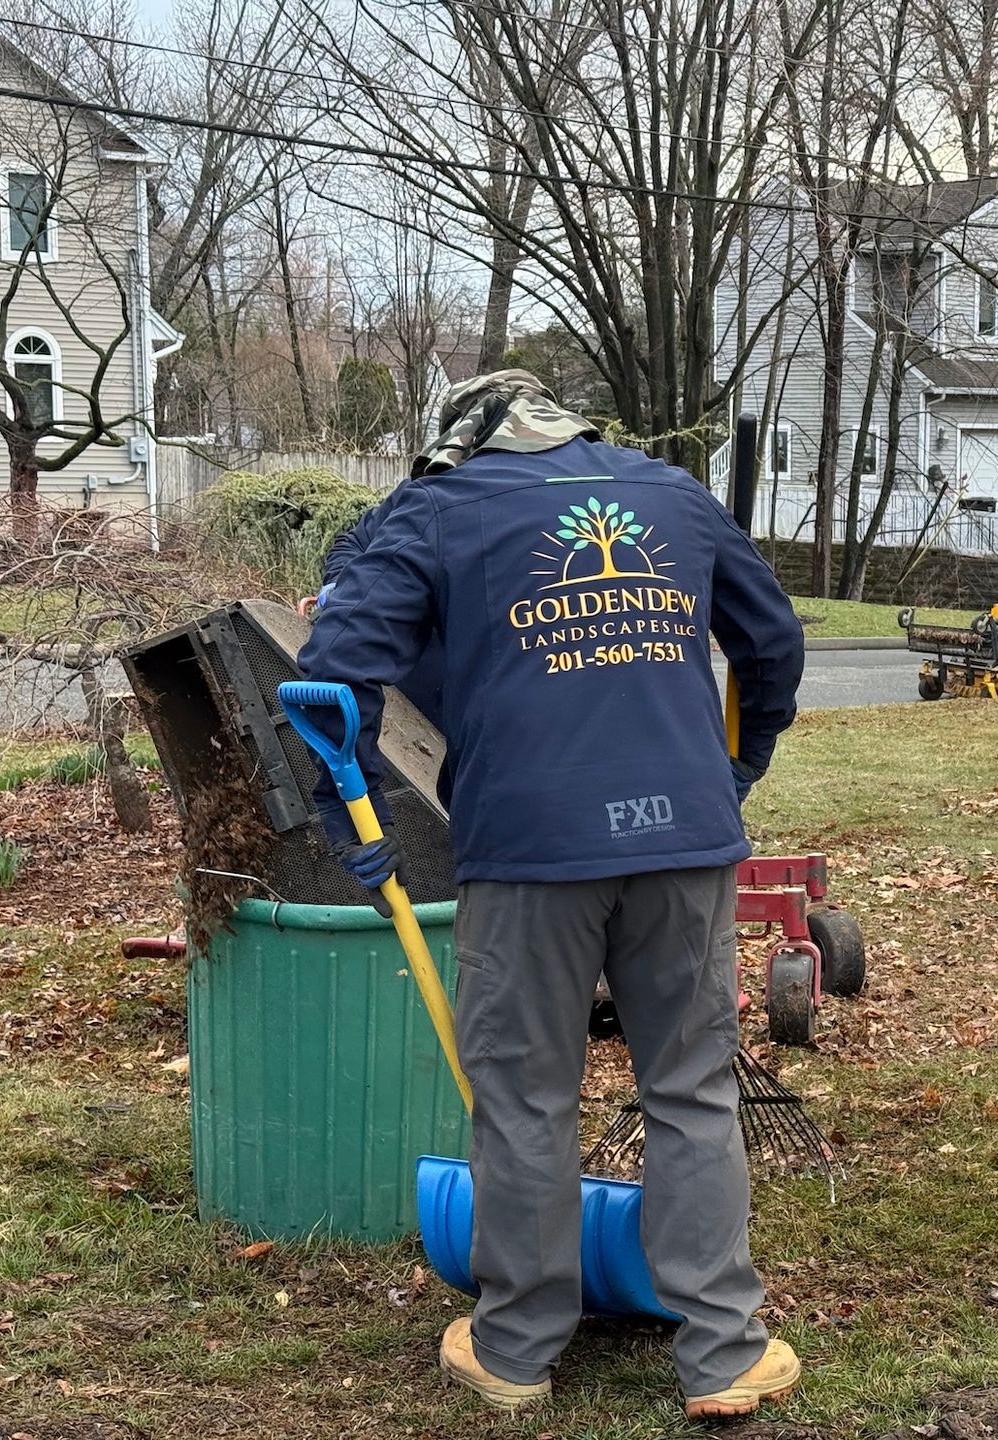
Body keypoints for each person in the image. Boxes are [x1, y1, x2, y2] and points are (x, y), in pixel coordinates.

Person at [296, 371, 807, 1421]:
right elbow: (773, 644)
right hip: (686, 839)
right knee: (693, 1086)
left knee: (525, 1095)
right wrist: (738, 763)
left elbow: (335, 672)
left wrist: (348, 813)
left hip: (528, 847)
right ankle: (721, 1352)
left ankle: (517, 1346)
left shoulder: (436, 509)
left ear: (462, 445)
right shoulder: (674, 493)